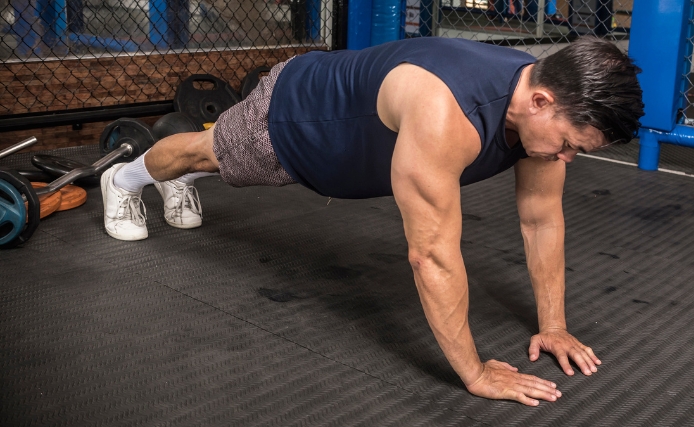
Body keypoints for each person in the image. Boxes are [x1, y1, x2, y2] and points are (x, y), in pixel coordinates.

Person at [100, 36, 644, 406]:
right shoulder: (445, 112)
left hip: (355, 149)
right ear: (542, 100)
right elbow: (430, 254)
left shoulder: (541, 117)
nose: (566, 159)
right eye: (570, 145)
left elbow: (542, 220)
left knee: (207, 164)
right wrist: (476, 373)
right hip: (299, 116)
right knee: (206, 154)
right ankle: (124, 180)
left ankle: (171, 182)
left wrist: (552, 326)